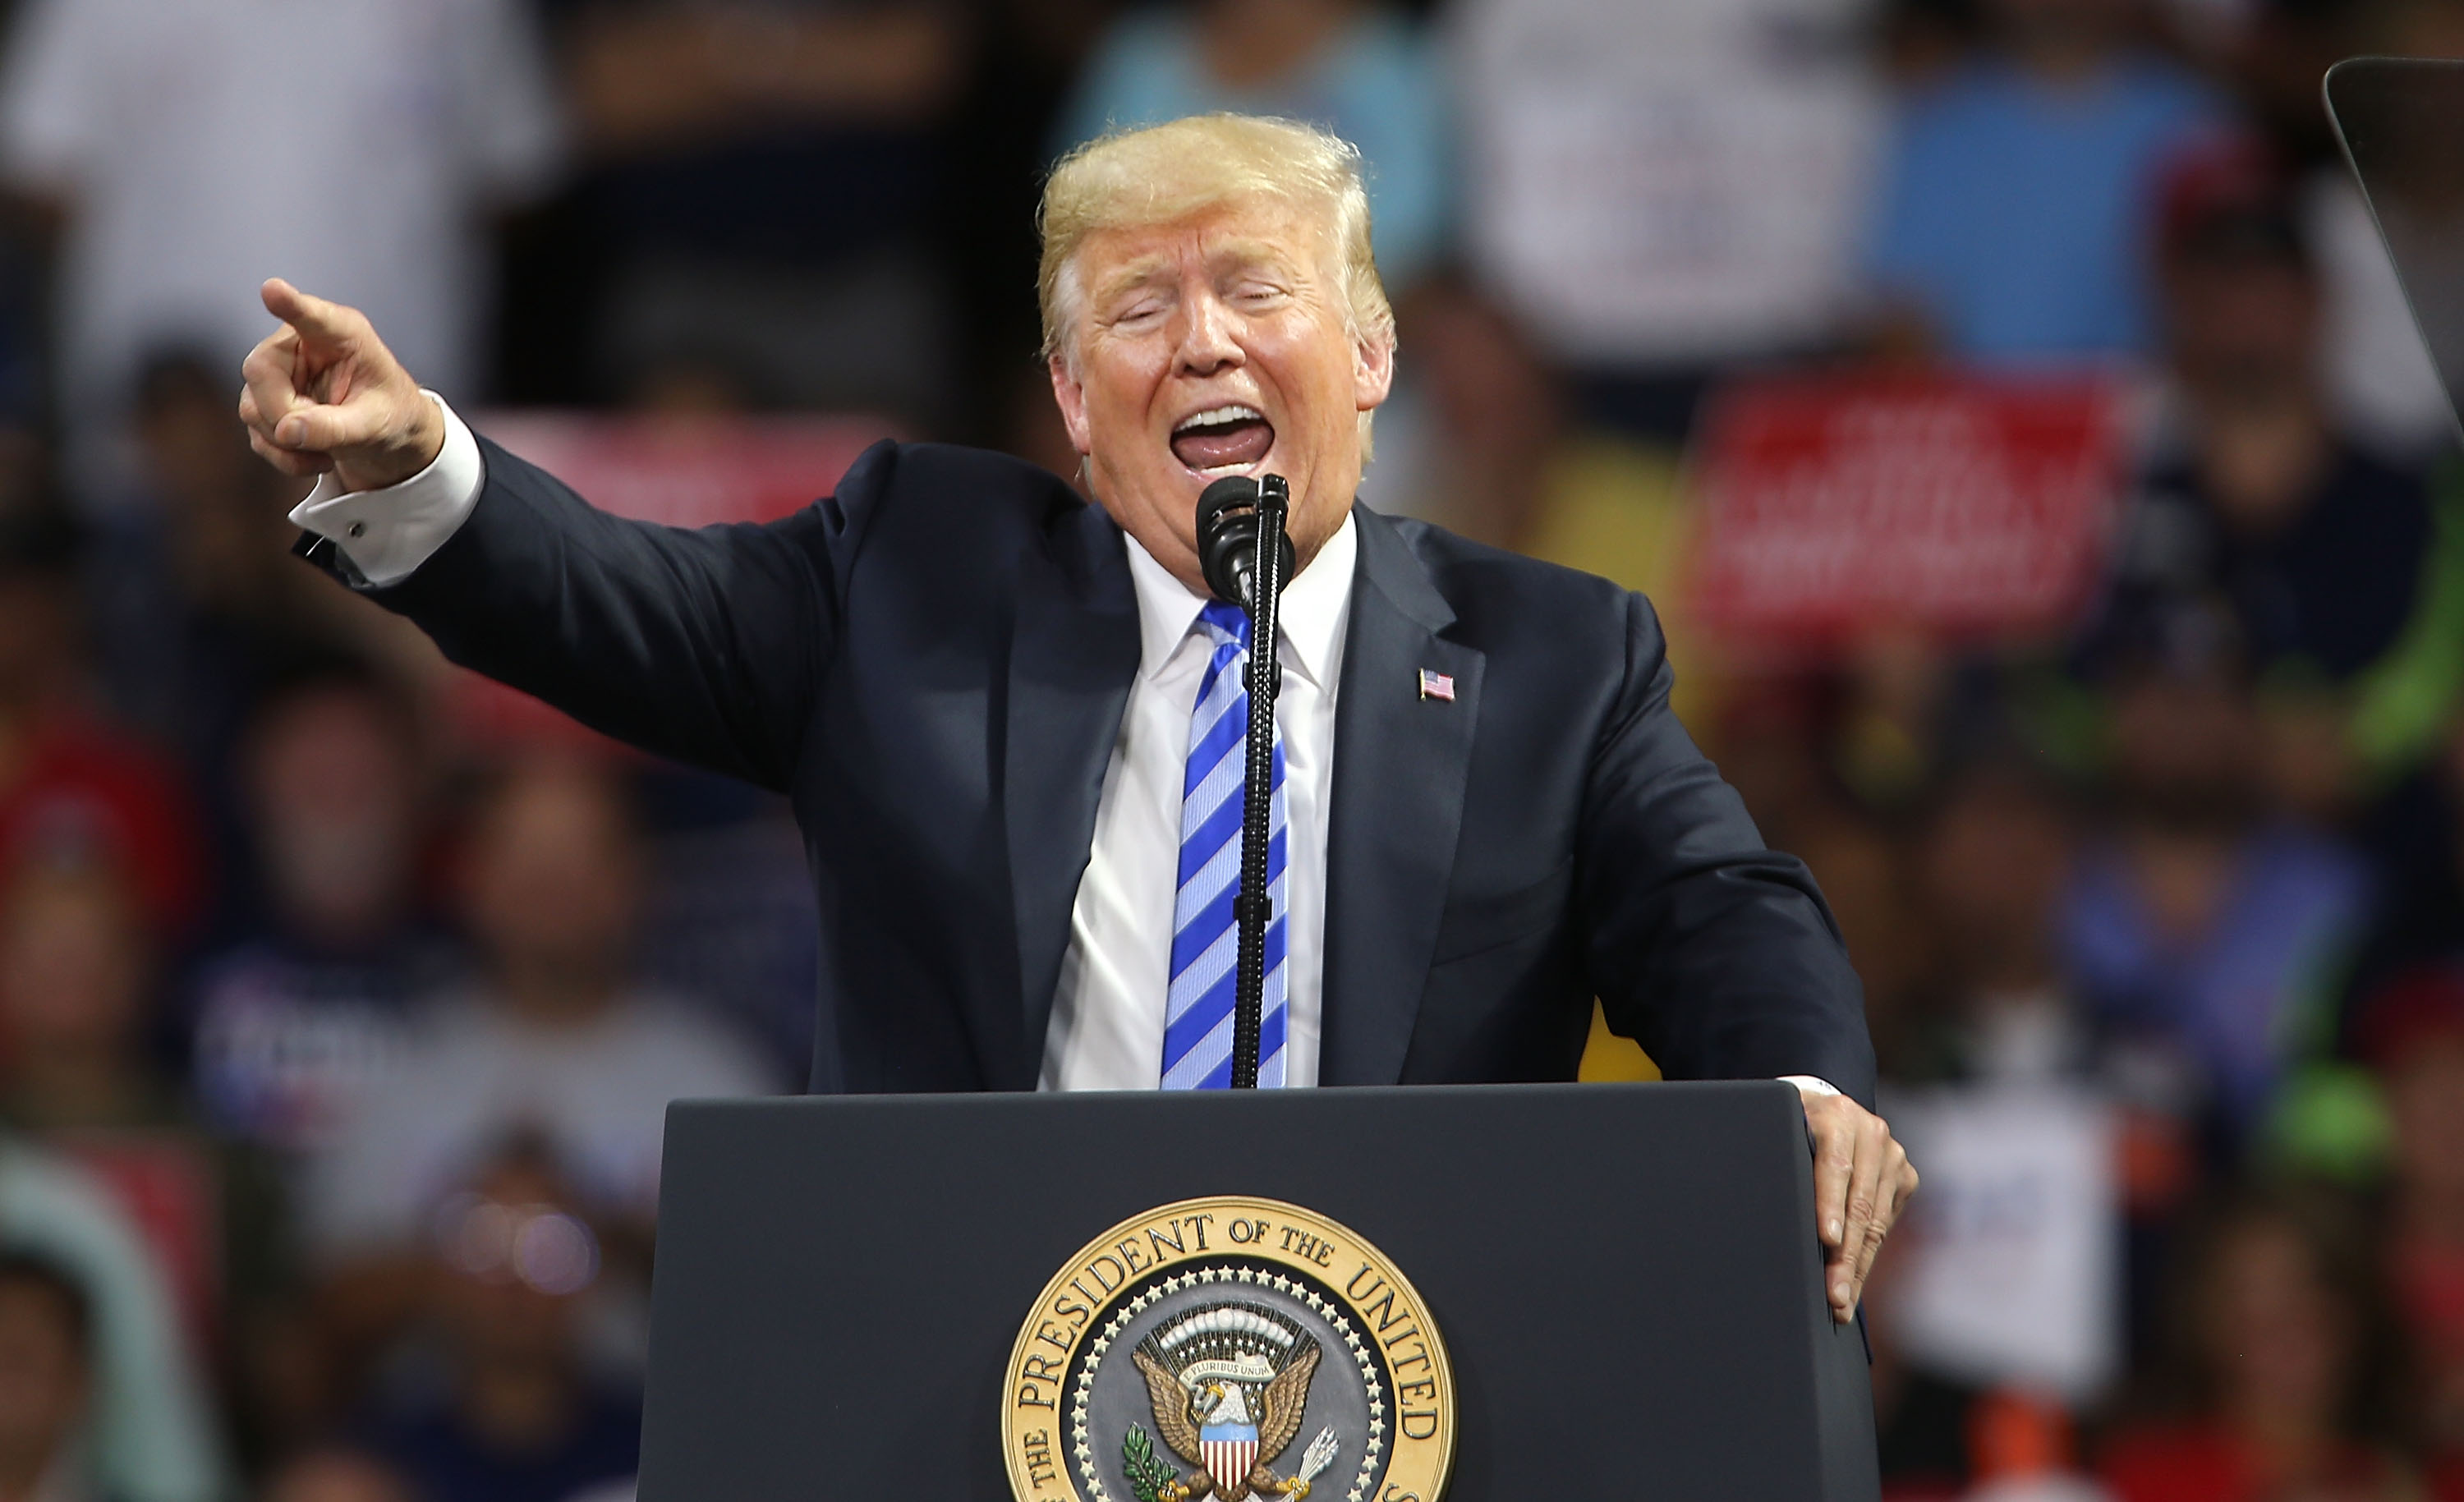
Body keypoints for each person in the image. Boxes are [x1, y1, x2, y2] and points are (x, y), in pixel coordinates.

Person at [238, 113, 1916, 1320]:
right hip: (970, 1378)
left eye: (1258, 293)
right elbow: (618, 598)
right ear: (1067, 402)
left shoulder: (1550, 655)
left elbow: (1713, 905)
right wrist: (412, 465)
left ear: (1373, 351)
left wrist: (1799, 1084)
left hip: (1414, 1395)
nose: (1201, 347)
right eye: (1136, 312)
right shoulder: (910, 576)